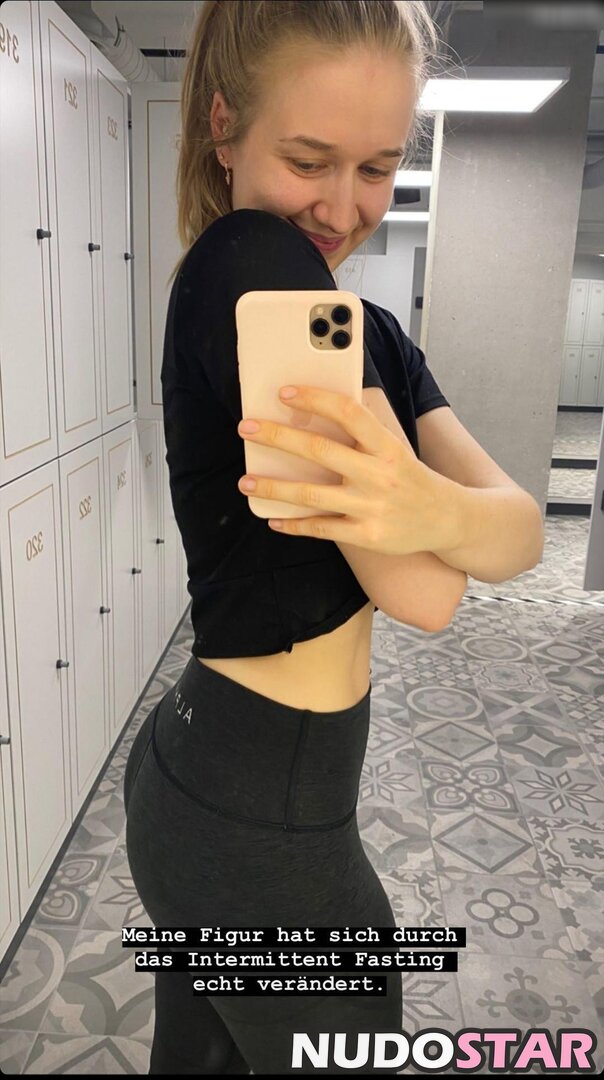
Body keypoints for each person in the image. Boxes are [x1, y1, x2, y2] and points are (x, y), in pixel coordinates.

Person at [123, 1, 471, 1074]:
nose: (341, 204)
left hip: (215, 783)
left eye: (378, 167)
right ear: (223, 125)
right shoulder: (255, 255)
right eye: (309, 159)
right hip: (255, 819)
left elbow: (503, 534)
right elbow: (429, 590)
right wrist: (449, 519)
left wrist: (449, 519)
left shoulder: (337, 320)